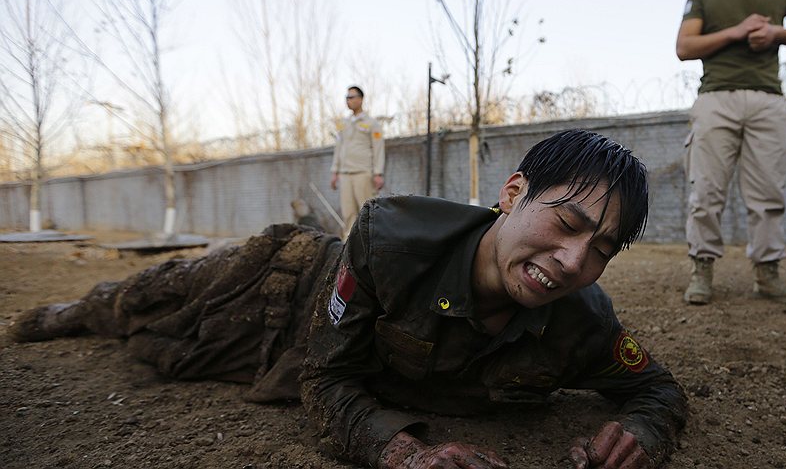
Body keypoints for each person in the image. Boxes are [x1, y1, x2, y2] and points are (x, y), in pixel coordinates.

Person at [11, 130, 687, 469]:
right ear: (511, 196)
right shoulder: (391, 237)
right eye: (566, 224)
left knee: (164, 355)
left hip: (298, 359)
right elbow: (324, 371)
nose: (574, 261)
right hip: (290, 282)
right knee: (151, 301)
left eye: (601, 249)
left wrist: (640, 434)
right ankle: (78, 308)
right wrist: (405, 454)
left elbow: (657, 390)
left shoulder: (583, 320)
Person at [675, 0, 786, 305]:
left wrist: (774, 34)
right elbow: (685, 46)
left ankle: (768, 275)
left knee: (768, 193)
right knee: (705, 190)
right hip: (715, 99)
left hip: (768, 99)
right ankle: (701, 271)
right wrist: (738, 32)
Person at [330, 86, 385, 239]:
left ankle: (370, 245)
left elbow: (378, 148)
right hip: (345, 174)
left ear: (360, 99)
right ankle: (347, 250)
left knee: (367, 212)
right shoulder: (343, 123)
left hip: (363, 173)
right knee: (348, 214)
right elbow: (338, 147)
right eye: (346, 97)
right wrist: (335, 171)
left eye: (351, 97)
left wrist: (378, 173)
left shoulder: (372, 123)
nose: (348, 100)